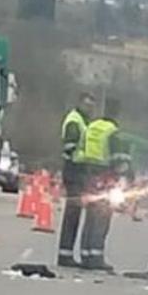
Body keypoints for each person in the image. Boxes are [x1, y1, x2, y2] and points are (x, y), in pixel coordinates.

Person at [74, 98, 132, 271]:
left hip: (88, 175)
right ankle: (96, 257)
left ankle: (85, 255)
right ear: (116, 113)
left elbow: (80, 150)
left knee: (90, 217)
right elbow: (118, 160)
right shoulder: (112, 132)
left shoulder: (91, 127)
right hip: (105, 177)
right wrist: (125, 175)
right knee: (102, 218)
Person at [56, 92, 97, 267]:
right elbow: (70, 149)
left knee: (75, 213)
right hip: (74, 171)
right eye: (87, 104)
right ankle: (64, 255)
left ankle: (67, 253)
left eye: (91, 106)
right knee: (72, 214)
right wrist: (88, 157)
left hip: (80, 172)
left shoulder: (84, 121)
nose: (89, 108)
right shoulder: (74, 121)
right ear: (80, 103)